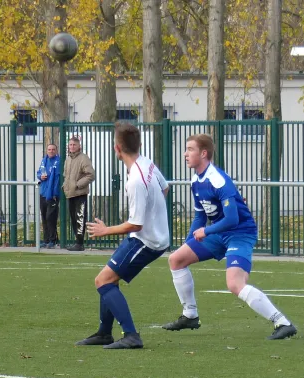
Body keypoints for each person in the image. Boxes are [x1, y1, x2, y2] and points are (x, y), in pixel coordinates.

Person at [162, 134, 296, 340]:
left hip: (240, 233)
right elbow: (200, 215)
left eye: (190, 149)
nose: (185, 154)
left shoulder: (217, 179)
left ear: (203, 153)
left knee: (234, 284)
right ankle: (190, 315)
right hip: (218, 232)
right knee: (176, 259)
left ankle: (282, 322)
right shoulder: (196, 179)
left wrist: (206, 231)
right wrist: (189, 241)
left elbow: (232, 219)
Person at [76, 122, 170, 349]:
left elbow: (136, 225)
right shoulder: (147, 163)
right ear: (138, 145)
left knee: (103, 281)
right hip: (151, 236)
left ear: (117, 148)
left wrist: (105, 230)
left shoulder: (136, 180)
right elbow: (165, 188)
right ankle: (104, 333)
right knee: (109, 279)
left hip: (147, 241)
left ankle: (131, 336)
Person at [62, 136, 95, 251]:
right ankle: (77, 241)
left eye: (74, 145)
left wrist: (77, 184)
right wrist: (65, 185)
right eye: (70, 145)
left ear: (79, 146)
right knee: (73, 218)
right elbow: (66, 175)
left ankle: (80, 243)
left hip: (80, 193)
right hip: (70, 193)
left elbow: (91, 175)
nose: (72, 147)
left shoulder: (84, 158)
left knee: (80, 217)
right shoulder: (68, 159)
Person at [37, 144, 61, 249]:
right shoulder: (44, 161)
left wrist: (55, 193)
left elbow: (58, 179)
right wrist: (40, 176)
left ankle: (53, 240)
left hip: (53, 194)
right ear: (47, 150)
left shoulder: (58, 162)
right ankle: (46, 240)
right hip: (43, 192)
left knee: (50, 217)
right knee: (44, 217)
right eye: (49, 149)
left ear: (56, 151)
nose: (51, 151)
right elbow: (39, 173)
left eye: (53, 149)